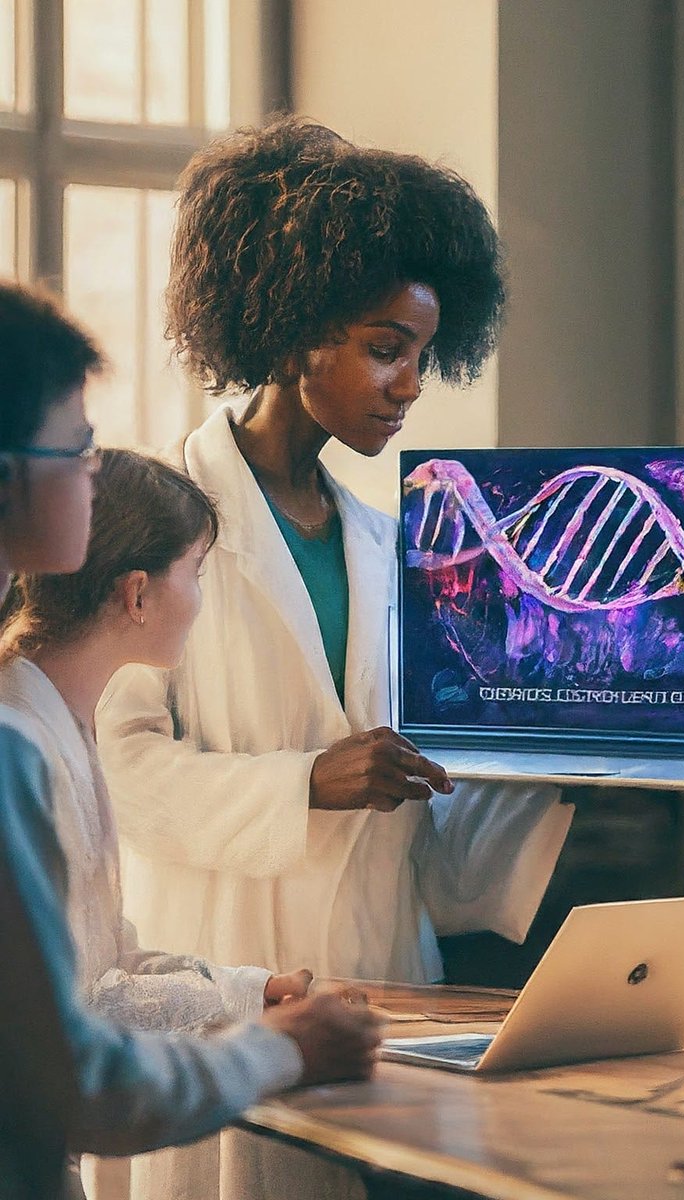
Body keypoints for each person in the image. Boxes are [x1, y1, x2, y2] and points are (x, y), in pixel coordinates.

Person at [95, 117, 571, 1197]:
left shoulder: (388, 544)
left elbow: (422, 846)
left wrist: (555, 748)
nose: (410, 385)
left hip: (384, 991)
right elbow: (116, 774)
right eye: (384, 348)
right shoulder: (156, 518)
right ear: (295, 328)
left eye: (422, 356)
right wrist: (305, 782)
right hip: (225, 990)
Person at [0, 282, 380, 1200]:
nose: (94, 473)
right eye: (78, 450)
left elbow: (99, 983)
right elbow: (85, 1084)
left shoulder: (52, 728)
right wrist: (274, 1052)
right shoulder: (16, 746)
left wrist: (251, 994)